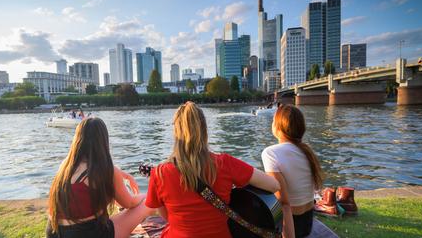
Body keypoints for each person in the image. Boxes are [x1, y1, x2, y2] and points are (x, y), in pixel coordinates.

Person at [145, 101, 280, 238]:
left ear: (176, 132)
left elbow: (165, 215)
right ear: (204, 130)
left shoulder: (160, 173)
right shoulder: (224, 163)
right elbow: (274, 185)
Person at [46, 118, 153, 238]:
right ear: (103, 141)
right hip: (87, 234)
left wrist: (123, 174)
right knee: (147, 204)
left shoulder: (66, 165)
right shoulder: (107, 170)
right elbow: (130, 202)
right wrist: (146, 194)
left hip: (55, 232)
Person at [262, 105, 324, 238]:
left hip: (291, 226)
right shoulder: (307, 151)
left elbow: (283, 203)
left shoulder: (271, 153)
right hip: (307, 223)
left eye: (273, 121)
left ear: (278, 127)